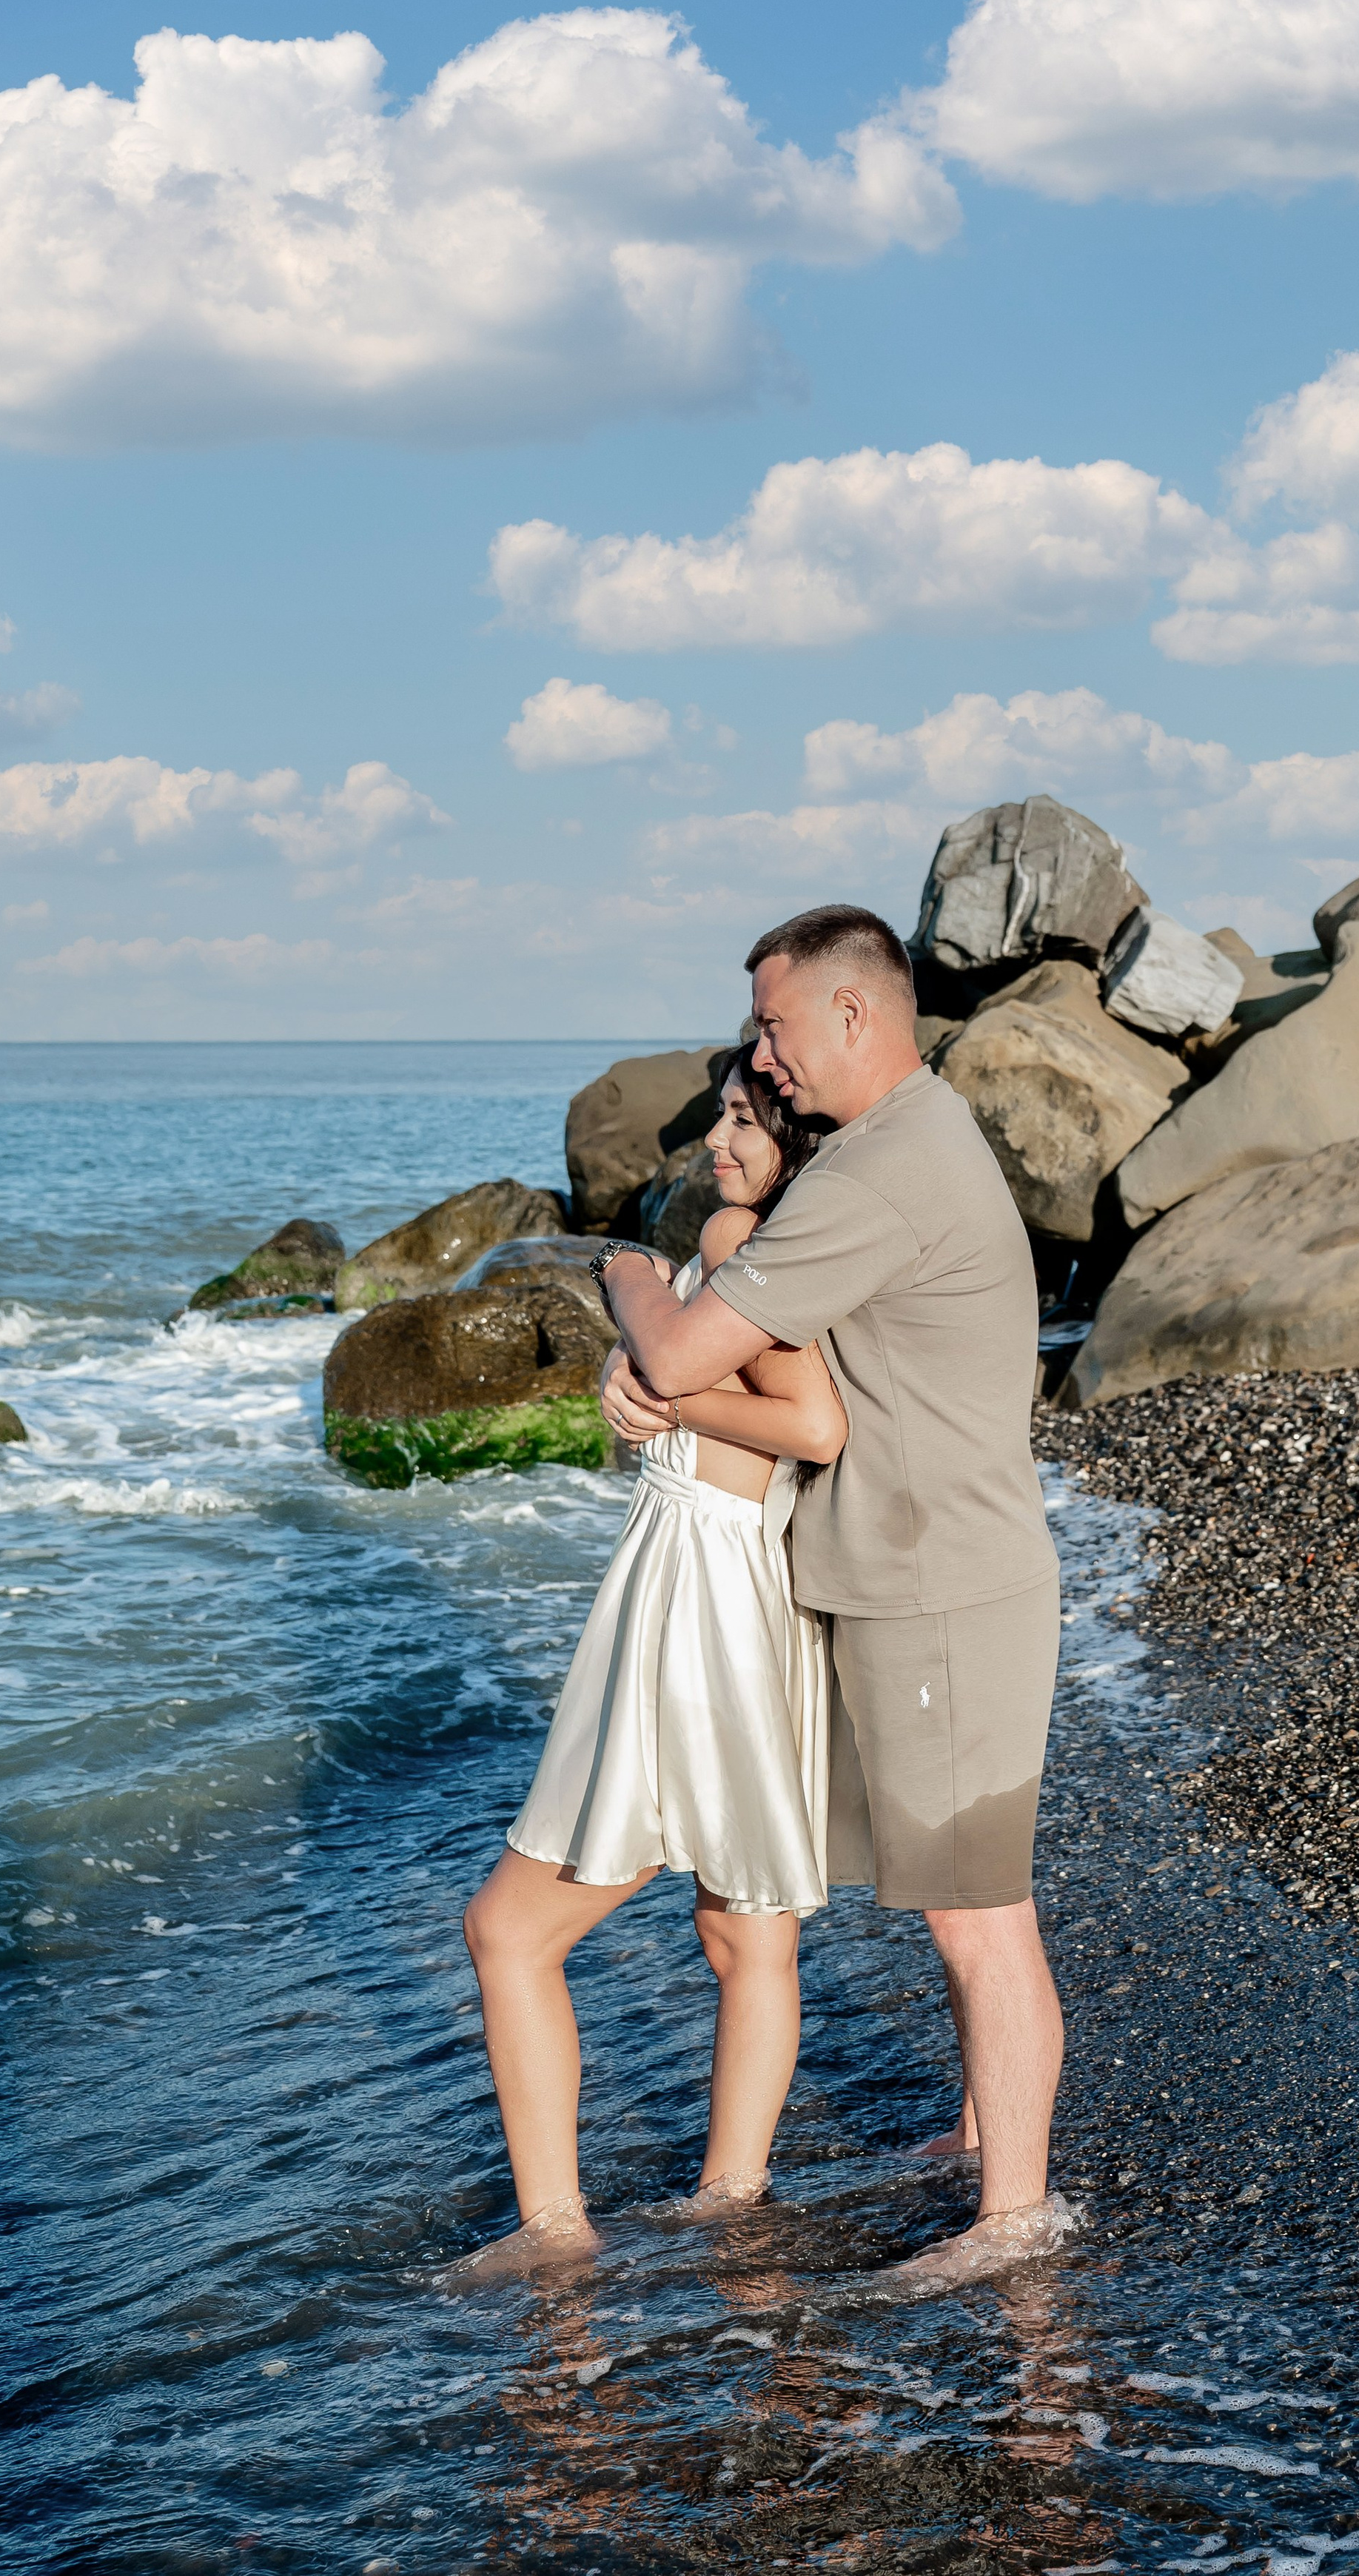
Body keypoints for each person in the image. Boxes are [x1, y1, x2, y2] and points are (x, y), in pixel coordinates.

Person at [598, 903, 1069, 2288]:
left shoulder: (878, 1175)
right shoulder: (902, 1145)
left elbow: (684, 1345)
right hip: (931, 1575)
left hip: (939, 1589)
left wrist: (624, 1265)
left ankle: (1013, 2226)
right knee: (962, 1905)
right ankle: (988, 2143)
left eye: (775, 1026)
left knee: (983, 1920)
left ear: (854, 1015)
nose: (763, 1055)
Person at [454, 1050, 848, 2274]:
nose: (718, 1141)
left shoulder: (736, 1236)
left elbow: (812, 1416)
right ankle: (732, 2200)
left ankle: (556, 2231)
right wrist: (670, 1390)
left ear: (794, 1138)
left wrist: (634, 1295)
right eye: (719, 1115)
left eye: (744, 1117)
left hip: (699, 1590)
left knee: (508, 1931)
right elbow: (776, 1406)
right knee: (747, 1935)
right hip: (742, 1580)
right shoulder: (787, 1242)